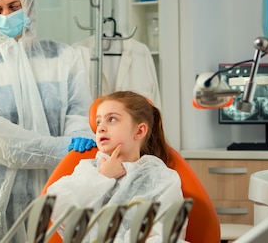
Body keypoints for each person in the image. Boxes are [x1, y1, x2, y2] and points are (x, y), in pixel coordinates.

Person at [0, 0, 96, 242]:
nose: (7, 15)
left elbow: (80, 112)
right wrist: (62, 149)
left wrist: (79, 140)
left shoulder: (62, 57)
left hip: (59, 185)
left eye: (13, 5)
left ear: (28, 4)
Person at [46, 91, 186, 243]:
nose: (100, 128)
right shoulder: (90, 169)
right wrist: (101, 177)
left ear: (139, 131)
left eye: (111, 119)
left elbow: (165, 234)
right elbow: (54, 206)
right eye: (98, 121)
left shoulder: (161, 178)